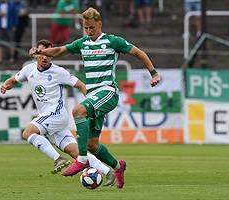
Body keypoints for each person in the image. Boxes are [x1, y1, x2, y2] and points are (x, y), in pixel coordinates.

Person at [29, 7, 161, 189]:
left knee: (77, 111)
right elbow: (58, 51)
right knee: (92, 144)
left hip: (108, 92)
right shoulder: (82, 43)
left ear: (100, 24)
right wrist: (39, 53)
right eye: (86, 28)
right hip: (93, 95)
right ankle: (117, 167)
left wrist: (153, 73)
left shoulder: (113, 41)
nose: (89, 31)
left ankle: (82, 160)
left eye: (92, 27)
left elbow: (138, 53)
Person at [0, 39, 116, 186]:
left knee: (28, 133)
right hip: (52, 119)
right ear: (37, 54)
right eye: (42, 54)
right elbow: (13, 80)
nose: (44, 58)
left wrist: (95, 105)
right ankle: (108, 172)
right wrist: (5, 86)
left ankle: (57, 158)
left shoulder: (58, 72)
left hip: (56, 114)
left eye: (48, 55)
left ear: (51, 56)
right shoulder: (28, 70)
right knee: (76, 153)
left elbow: (81, 86)